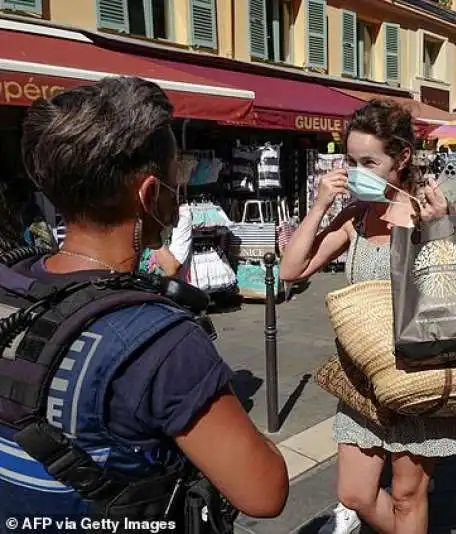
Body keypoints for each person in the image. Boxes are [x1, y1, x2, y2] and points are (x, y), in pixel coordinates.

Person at [0, 77, 288, 525]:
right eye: (178, 174)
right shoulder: (160, 340)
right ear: (150, 194)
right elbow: (265, 492)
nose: (181, 187)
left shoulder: (12, 285)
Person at [280, 99, 456, 534]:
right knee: (356, 493)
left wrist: (440, 231)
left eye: (369, 162)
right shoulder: (355, 216)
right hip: (362, 378)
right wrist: (321, 204)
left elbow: (454, 295)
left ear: (401, 159)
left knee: (406, 495)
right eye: (351, 160)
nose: (357, 170)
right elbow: (291, 270)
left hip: (416, 373)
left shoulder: (426, 213)